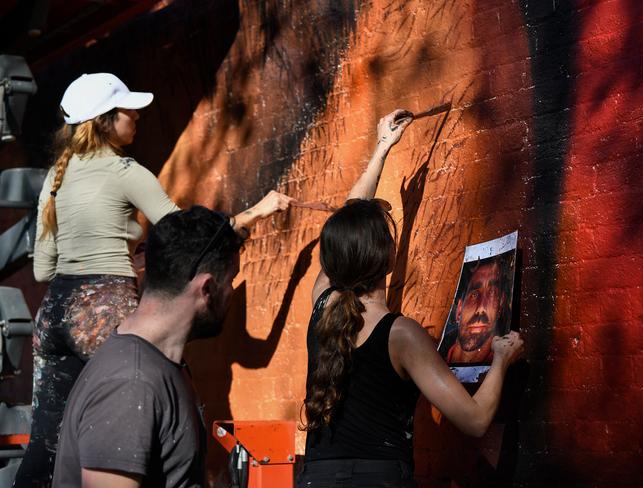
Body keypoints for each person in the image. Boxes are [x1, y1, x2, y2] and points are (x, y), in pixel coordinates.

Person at [15, 73, 293, 487]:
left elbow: (42, 270)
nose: (137, 115)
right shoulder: (125, 170)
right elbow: (188, 239)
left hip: (53, 313)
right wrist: (255, 213)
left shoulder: (57, 174)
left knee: (46, 447)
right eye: (129, 108)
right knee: (169, 398)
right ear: (106, 119)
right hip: (104, 305)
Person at [299, 110, 524, 487]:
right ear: (388, 256)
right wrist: (501, 358)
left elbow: (347, 224)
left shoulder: (323, 303)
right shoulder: (400, 334)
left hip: (315, 479)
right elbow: (474, 419)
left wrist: (382, 149)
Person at [52, 206, 241, 487]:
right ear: (208, 288)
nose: (232, 292)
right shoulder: (131, 383)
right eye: (231, 280)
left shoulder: (158, 365)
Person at [444, 255, 510, 364]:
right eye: (474, 295)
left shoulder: (503, 366)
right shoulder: (433, 355)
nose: (481, 308)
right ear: (459, 310)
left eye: (492, 294)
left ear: (500, 305)